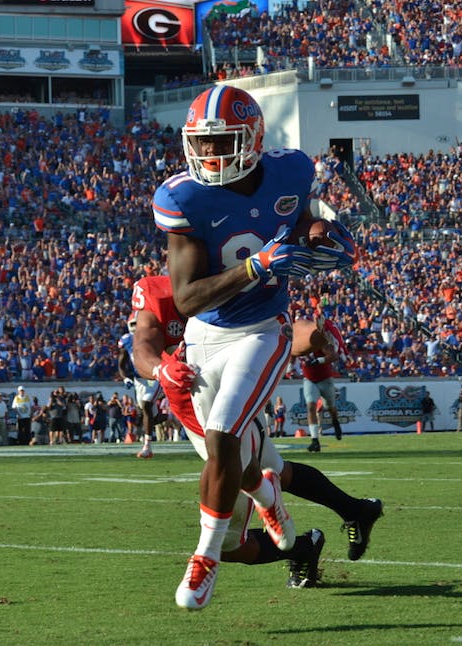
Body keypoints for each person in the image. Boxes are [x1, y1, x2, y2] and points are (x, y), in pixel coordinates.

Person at [150, 85, 357, 610]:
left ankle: (206, 557)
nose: (211, 154)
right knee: (236, 462)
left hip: (263, 329)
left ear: (253, 138)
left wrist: (321, 232)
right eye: (203, 143)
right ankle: (271, 503)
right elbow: (189, 298)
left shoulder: (289, 170)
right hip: (205, 336)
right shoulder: (183, 197)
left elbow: (307, 215)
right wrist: (255, 266)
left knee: (223, 435)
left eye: (223, 141)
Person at [131, 273, 383, 600]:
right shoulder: (159, 290)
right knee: (275, 470)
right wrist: (159, 368)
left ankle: (302, 544)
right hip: (196, 418)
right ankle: (352, 513)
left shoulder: (231, 284)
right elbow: (143, 346)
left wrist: (318, 336)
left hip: (234, 408)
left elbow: (284, 331)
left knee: (229, 543)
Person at [298, 314, 349, 452]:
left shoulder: (319, 340)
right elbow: (291, 353)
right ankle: (315, 440)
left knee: (330, 407)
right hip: (309, 379)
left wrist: (318, 360)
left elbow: (334, 356)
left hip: (325, 379)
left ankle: (335, 421)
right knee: (310, 407)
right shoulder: (297, 342)